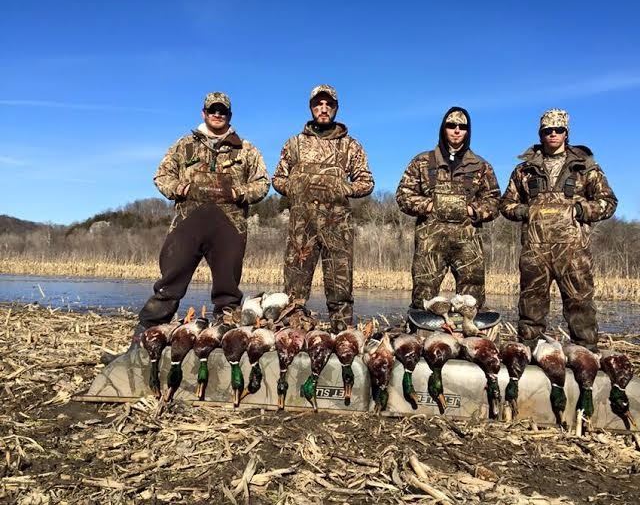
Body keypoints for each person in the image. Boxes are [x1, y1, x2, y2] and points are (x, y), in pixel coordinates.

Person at [137, 92, 270, 329]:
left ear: (230, 115)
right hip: (188, 222)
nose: (217, 114)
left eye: (222, 111)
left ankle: (225, 333)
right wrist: (181, 188)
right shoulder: (184, 145)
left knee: (228, 290)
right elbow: (161, 176)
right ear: (204, 113)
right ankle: (147, 331)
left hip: (230, 225)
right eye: (212, 110)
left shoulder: (247, 149)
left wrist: (238, 193)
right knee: (171, 280)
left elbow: (262, 184)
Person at [500, 108, 617, 351]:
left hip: (574, 252)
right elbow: (506, 204)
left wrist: (580, 210)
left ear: (566, 133)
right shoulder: (524, 169)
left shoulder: (585, 167)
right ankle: (528, 354)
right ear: (541, 134)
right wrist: (527, 211)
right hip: (535, 251)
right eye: (547, 130)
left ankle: (585, 354)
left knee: (580, 304)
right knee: (531, 305)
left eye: (558, 130)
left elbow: (608, 202)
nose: (553, 134)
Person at [272, 84, 374, 332]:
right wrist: (295, 187)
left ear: (336, 108)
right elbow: (278, 179)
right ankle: (293, 333)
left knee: (340, 285)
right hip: (301, 225)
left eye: (329, 104)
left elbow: (366, 182)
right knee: (295, 285)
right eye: (319, 104)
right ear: (311, 107)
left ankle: (342, 333)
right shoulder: (294, 144)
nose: (324, 108)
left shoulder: (350, 145)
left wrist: (343, 188)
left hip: (337, 226)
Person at [396, 107, 501, 310]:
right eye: (451, 125)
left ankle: (468, 330)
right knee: (423, 298)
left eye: (462, 127)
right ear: (443, 128)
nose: (457, 130)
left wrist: (472, 210)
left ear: (468, 131)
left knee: (472, 301)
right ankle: (422, 328)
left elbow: (495, 201)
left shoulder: (480, 166)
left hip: (468, 243)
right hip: (430, 243)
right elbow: (403, 195)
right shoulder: (422, 161)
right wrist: (428, 205)